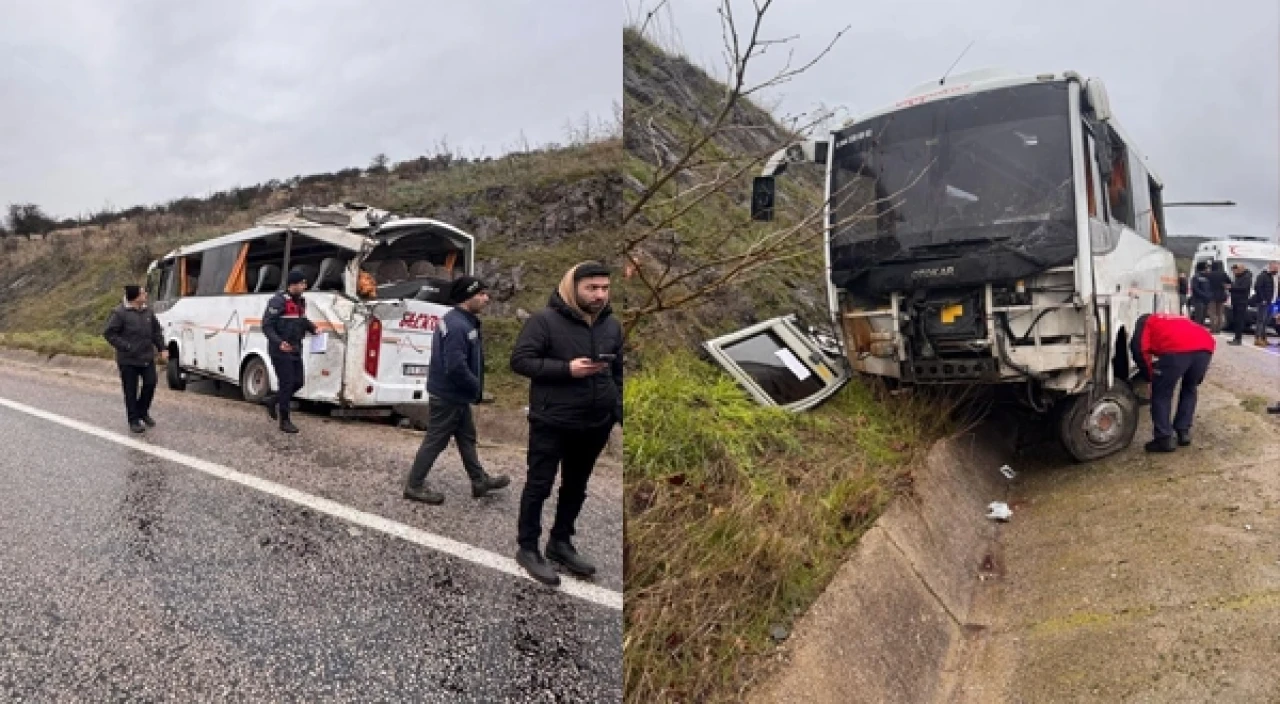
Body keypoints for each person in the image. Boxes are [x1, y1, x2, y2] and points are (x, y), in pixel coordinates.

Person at [509, 261, 623, 586]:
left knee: (576, 487)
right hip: (552, 420)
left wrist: (616, 412)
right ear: (572, 288)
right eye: (592, 288)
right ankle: (528, 548)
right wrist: (566, 370)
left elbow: (617, 373)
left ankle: (560, 542)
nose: (600, 294)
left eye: (604, 288)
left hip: (594, 424)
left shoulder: (611, 326)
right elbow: (520, 361)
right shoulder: (543, 321)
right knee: (539, 485)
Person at [403, 275, 510, 504]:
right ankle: (414, 486)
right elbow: (455, 366)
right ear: (466, 297)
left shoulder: (461, 320)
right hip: (449, 395)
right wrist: (477, 388)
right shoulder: (457, 325)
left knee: (466, 437)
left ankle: (479, 480)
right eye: (480, 294)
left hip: (456, 395)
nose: (486, 298)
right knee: (436, 441)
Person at [1130, 313, 1215, 452]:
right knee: (1190, 387)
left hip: (1176, 350)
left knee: (1161, 393)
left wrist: (1149, 376)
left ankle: (1164, 438)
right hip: (1205, 346)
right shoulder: (1173, 320)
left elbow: (1139, 349)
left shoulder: (1145, 322)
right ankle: (1183, 432)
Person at [103, 285, 168, 433]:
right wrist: (126, 346)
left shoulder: (148, 312)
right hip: (128, 360)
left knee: (150, 384)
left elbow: (156, 332)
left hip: (146, 357)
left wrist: (162, 348)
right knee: (130, 391)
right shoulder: (119, 313)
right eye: (143, 292)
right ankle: (133, 420)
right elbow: (109, 333)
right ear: (135, 297)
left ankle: (142, 412)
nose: (146, 294)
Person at [262, 270, 317, 434]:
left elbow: (302, 320)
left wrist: (314, 328)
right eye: (302, 283)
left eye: (305, 283)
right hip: (280, 349)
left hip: (295, 348)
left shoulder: (300, 301)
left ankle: (273, 400)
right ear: (293, 285)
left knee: (298, 382)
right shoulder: (277, 301)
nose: (305, 286)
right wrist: (279, 343)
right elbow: (267, 326)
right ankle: (284, 420)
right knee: (286, 383)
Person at [1252, 261, 1278, 346]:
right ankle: (1257, 338)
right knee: (1261, 321)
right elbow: (1257, 287)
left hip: (1272, 302)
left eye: (1277, 268)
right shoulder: (1263, 276)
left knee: (1266, 321)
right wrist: (1263, 299)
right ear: (1270, 267)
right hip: (1264, 302)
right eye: (1275, 268)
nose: (1277, 269)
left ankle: (1263, 337)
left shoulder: (1276, 277)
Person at [1227, 263, 1253, 345]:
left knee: (1239, 320)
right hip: (1236, 301)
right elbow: (1236, 287)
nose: (1234, 273)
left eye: (1235, 271)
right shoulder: (1238, 277)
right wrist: (1231, 288)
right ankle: (1236, 337)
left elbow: (1244, 288)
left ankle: (1238, 339)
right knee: (1236, 320)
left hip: (1241, 302)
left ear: (1240, 269)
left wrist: (1231, 287)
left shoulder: (1246, 277)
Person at [1206, 260, 1231, 333]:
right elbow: (1229, 282)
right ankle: (1218, 329)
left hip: (1212, 295)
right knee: (1220, 313)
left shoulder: (1210, 274)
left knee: (1212, 313)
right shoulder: (1223, 274)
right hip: (1221, 296)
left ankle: (1213, 328)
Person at [1189, 261, 1212, 326]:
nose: (1209, 269)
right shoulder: (1196, 277)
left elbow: (1210, 288)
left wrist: (1210, 295)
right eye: (1207, 267)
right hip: (1199, 300)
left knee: (1203, 318)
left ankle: (1201, 332)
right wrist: (1204, 295)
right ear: (1203, 268)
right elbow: (1195, 288)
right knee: (1198, 318)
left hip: (1206, 301)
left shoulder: (1208, 277)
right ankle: (1196, 333)